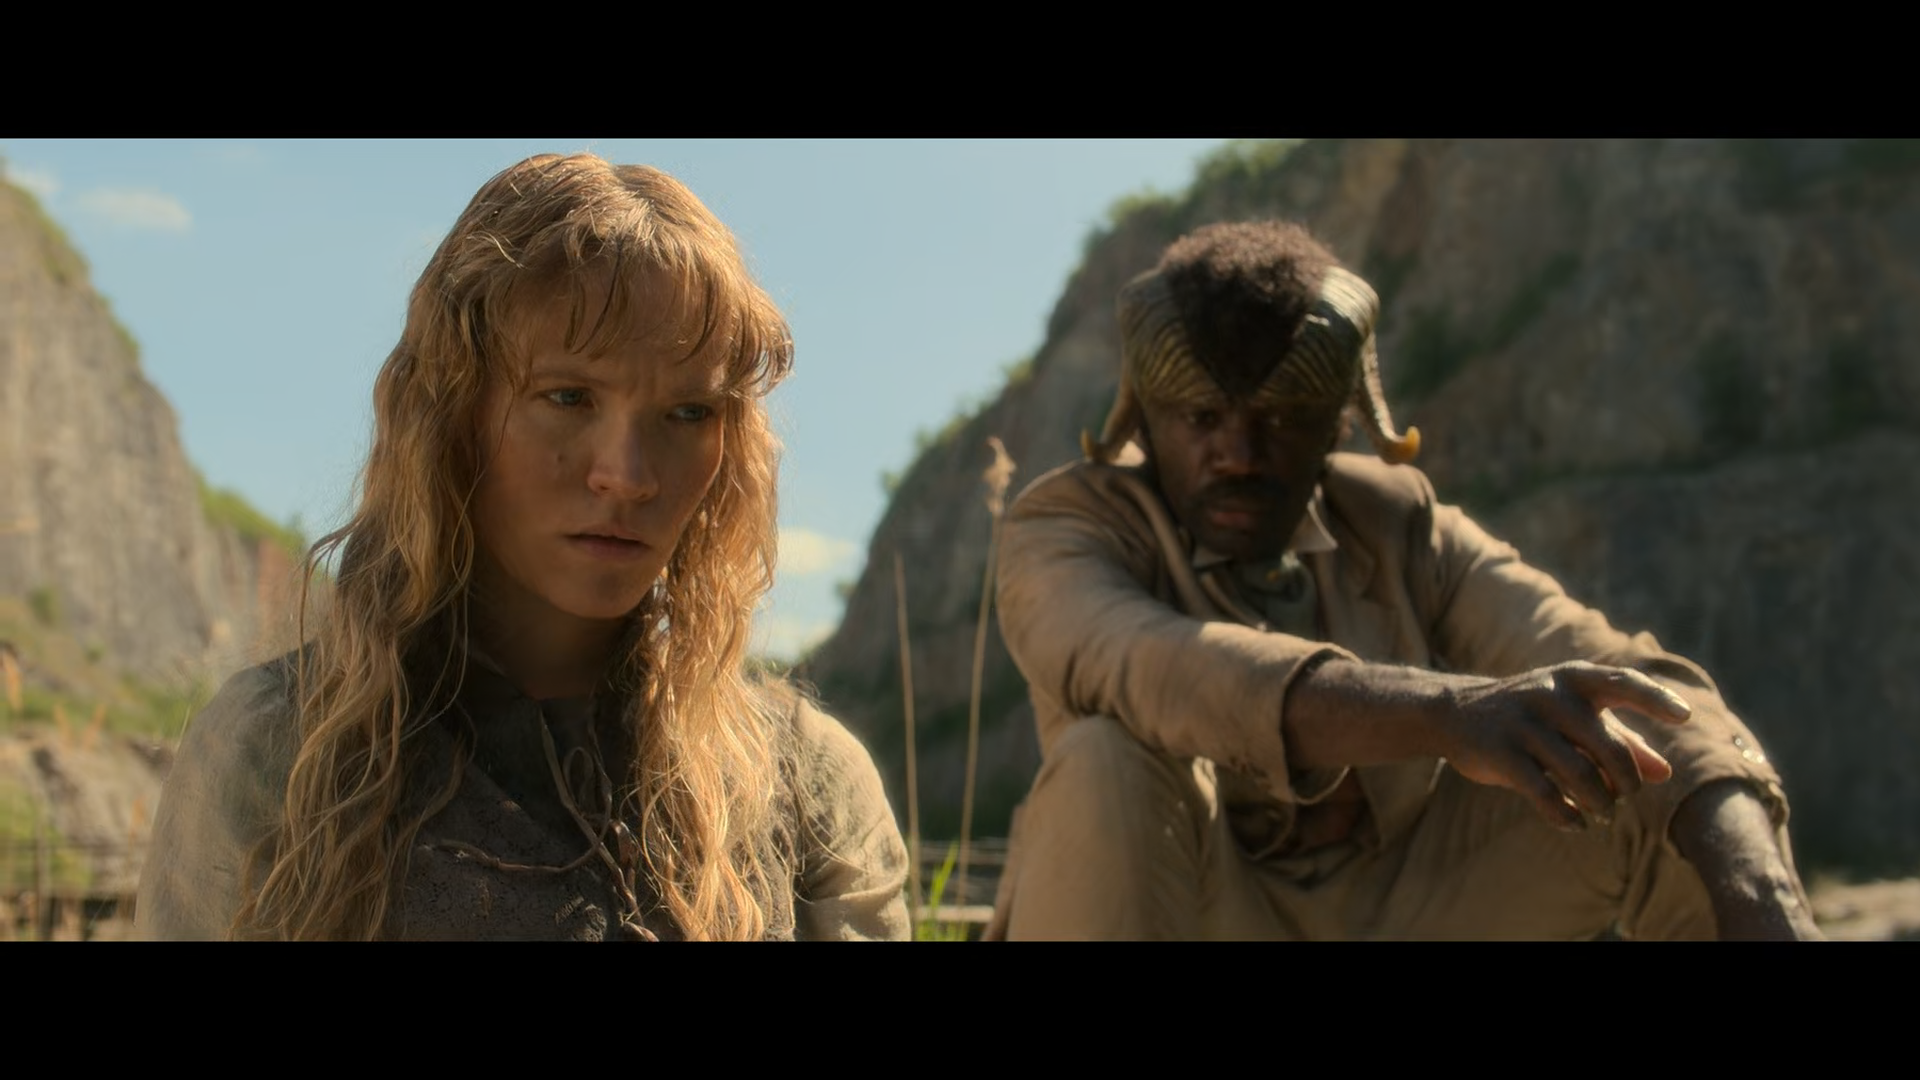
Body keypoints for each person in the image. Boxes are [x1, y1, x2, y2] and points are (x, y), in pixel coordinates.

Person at [135, 153, 910, 941]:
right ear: (453, 417)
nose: (627, 476)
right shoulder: (279, 754)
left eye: (687, 413)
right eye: (568, 397)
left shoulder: (805, 786)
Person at [986, 219, 1821, 940]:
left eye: (1281, 418)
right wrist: (1448, 715)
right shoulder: (1064, 529)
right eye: (1201, 417)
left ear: (1340, 423)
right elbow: (1157, 664)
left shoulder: (1400, 522)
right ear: (1143, 417)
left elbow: (1612, 668)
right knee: (1103, 760)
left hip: (1408, 910)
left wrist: (1762, 891)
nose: (1237, 454)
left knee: (1630, 743)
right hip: (1200, 911)